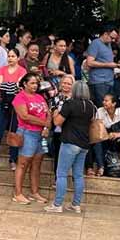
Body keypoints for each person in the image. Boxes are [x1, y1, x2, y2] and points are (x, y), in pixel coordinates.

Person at [45, 80, 96, 214]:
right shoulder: (91, 106)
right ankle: (76, 204)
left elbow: (57, 122)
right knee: (78, 175)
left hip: (69, 141)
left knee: (61, 174)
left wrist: (55, 110)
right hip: (84, 144)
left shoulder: (70, 104)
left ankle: (57, 204)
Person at [11, 73, 50, 205]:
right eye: (32, 83)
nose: (35, 85)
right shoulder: (19, 97)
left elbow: (47, 112)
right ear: (24, 84)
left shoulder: (40, 97)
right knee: (23, 163)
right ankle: (18, 193)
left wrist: (47, 126)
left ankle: (34, 192)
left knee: (37, 164)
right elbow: (24, 116)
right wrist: (44, 123)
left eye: (36, 83)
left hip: (40, 134)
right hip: (27, 132)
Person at [90, 93, 120, 178]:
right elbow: (96, 130)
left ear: (114, 103)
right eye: (103, 100)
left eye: (106, 101)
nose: (103, 102)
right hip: (106, 140)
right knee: (96, 140)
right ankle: (101, 167)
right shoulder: (100, 111)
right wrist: (108, 135)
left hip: (119, 141)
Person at [85, 27, 120, 105]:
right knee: (102, 108)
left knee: (109, 107)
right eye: (112, 38)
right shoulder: (95, 43)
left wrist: (117, 64)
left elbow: (105, 61)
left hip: (108, 81)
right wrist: (108, 65)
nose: (113, 40)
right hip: (99, 82)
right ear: (105, 34)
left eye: (114, 39)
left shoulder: (108, 44)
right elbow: (89, 62)